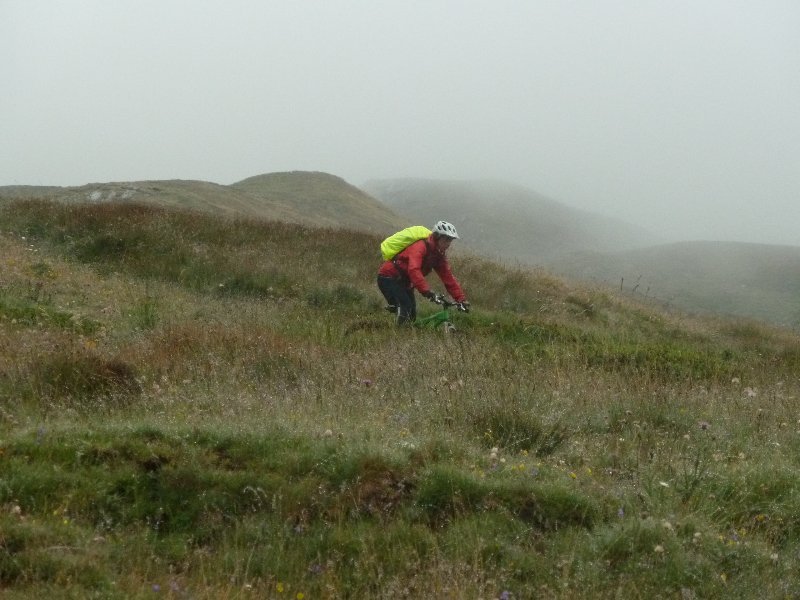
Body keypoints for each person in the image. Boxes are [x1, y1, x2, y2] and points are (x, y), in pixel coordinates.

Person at [377, 220, 469, 324]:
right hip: (389, 277)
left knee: (411, 316)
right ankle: (397, 336)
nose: (448, 244)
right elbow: (414, 269)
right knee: (405, 306)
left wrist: (461, 299)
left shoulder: (438, 256)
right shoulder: (420, 246)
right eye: (446, 239)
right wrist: (427, 291)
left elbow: (448, 278)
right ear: (437, 237)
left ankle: (405, 333)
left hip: (405, 282)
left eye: (450, 241)